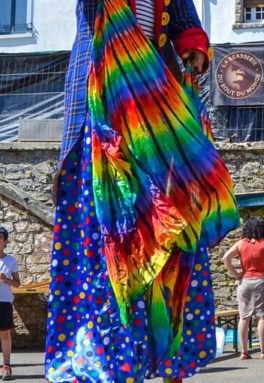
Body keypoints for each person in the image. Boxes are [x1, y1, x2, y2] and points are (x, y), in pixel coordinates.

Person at [45, 1, 239, 382]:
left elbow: (184, 18)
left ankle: (168, 358)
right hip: (108, 109)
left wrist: (194, 45)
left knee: (173, 230)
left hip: (159, 113)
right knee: (112, 239)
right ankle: (108, 362)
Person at [222, 217, 264, 360]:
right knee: (262, 316)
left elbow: (225, 258)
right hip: (261, 281)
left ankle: (244, 352)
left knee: (244, 316)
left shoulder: (241, 243)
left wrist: (237, 274)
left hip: (244, 281)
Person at [0, 227, 21, 381]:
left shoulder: (10, 261)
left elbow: (18, 284)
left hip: (4, 301)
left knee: (5, 333)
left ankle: (6, 366)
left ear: (5, 241)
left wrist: (5, 279)